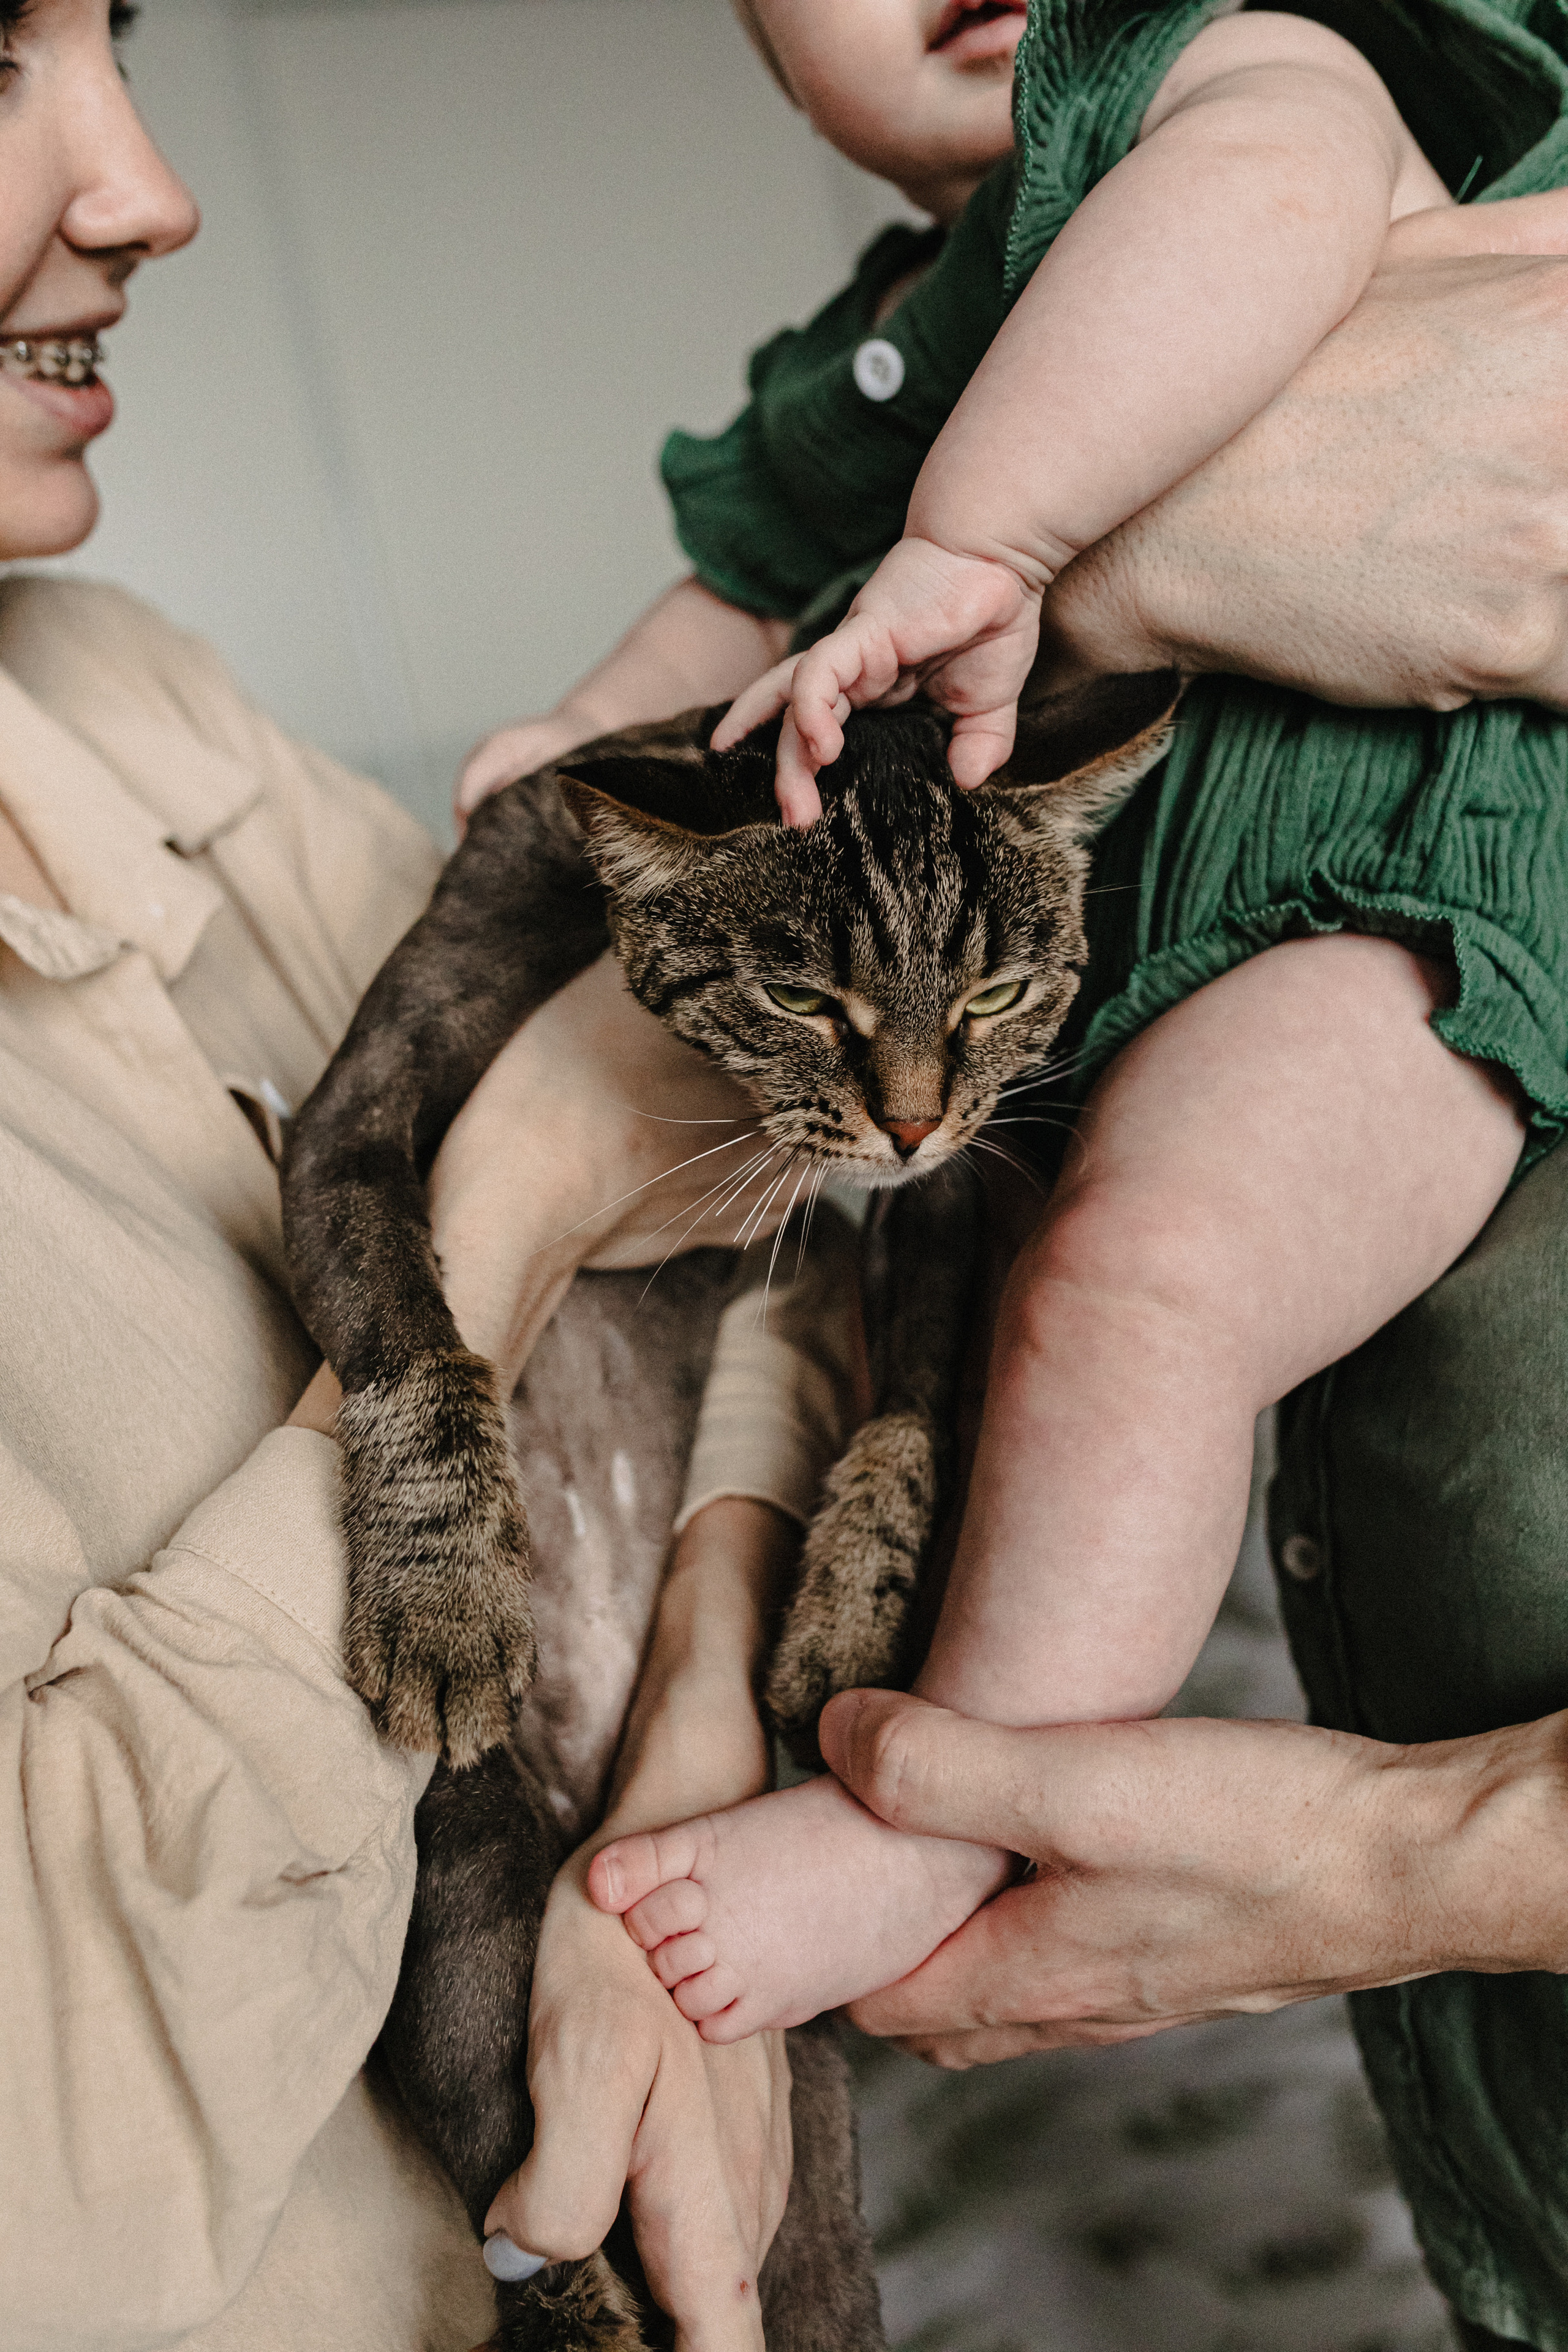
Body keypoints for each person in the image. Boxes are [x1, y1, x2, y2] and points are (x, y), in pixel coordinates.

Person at [7, 8, 1568, 2352]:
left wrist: (1013, 538)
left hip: (1417, 891)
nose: (146, 183)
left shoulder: (1238, 66)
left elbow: (1255, 191)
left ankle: (934, 1808)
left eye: (122, 39)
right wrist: (575, 769)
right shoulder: (868, 362)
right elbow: (706, 675)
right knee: (1074, 1306)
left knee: (1137, 1286)